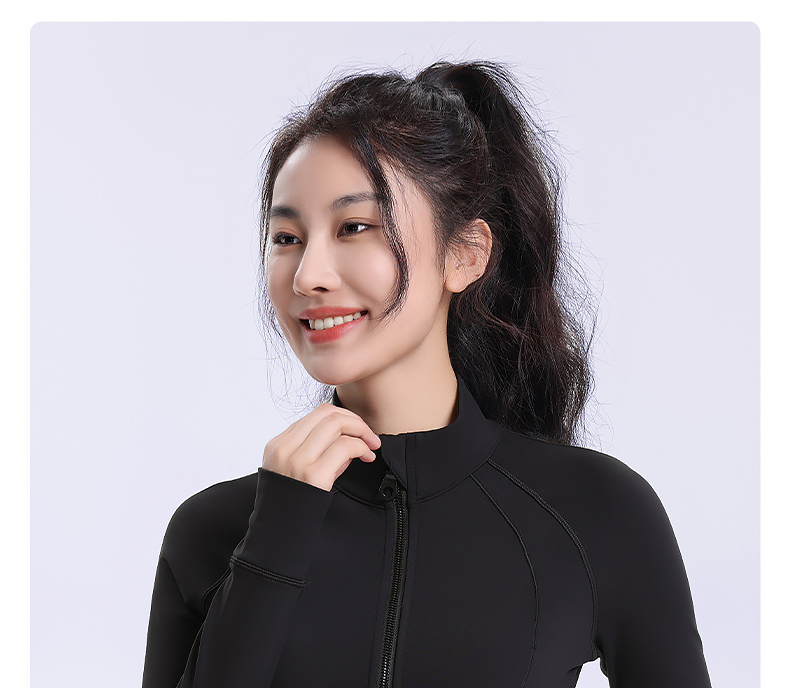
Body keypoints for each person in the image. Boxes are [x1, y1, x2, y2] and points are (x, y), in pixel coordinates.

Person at [142, 61, 712, 688]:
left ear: (463, 255)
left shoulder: (597, 512)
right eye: (286, 237)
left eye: (355, 228)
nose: (308, 276)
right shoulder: (215, 531)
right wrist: (273, 545)